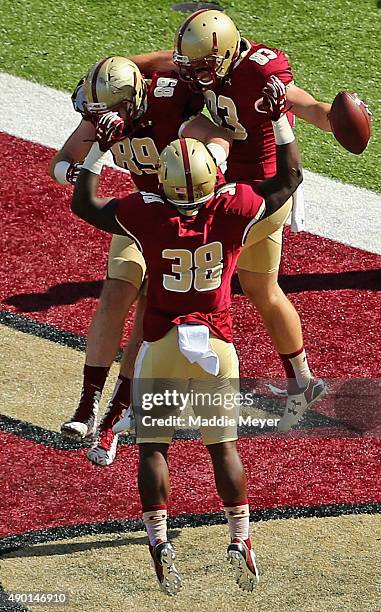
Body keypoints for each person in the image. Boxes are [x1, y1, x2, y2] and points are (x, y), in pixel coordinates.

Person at [69, 77, 302, 594]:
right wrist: (280, 119)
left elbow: (83, 205)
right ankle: (240, 536)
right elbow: (289, 179)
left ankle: (159, 539)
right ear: (213, 177)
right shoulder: (233, 209)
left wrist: (100, 153)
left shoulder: (145, 214)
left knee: (154, 449)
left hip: (161, 343)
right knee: (223, 449)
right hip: (217, 347)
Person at [132, 9, 333, 431]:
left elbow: (310, 107)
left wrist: (336, 118)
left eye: (204, 68)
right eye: (193, 68)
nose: (197, 77)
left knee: (185, 269)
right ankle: (304, 380)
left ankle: (155, 390)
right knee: (263, 288)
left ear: (225, 54)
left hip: (259, 194)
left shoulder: (261, 73)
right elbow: (163, 63)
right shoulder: (204, 60)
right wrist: (123, 67)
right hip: (233, 186)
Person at [50, 56, 231, 465]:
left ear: (133, 100)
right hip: (142, 213)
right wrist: (89, 158)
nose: (101, 118)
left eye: (107, 112)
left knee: (149, 313)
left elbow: (220, 137)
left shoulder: (169, 106)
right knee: (116, 293)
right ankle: (87, 402)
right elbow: (60, 163)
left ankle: (115, 416)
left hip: (181, 216)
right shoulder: (103, 116)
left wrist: (206, 169)